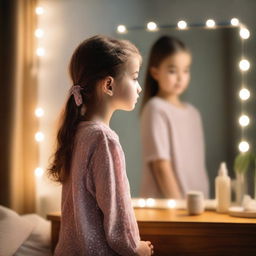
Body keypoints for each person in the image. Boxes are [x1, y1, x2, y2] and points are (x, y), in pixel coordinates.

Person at [48, 35, 154, 256]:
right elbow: (116, 210)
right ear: (108, 84)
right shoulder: (103, 139)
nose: (140, 88)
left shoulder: (78, 132)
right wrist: (134, 248)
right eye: (134, 78)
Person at [140, 35, 209, 199]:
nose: (180, 78)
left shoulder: (193, 113)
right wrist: (179, 205)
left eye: (185, 70)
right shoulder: (156, 108)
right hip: (170, 209)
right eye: (172, 70)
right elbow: (161, 166)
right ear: (155, 72)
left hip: (198, 205)